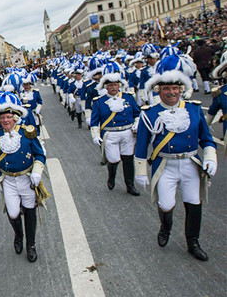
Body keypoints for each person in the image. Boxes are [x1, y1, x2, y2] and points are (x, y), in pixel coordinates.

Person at [135, 54, 218, 261]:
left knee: (193, 202)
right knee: (165, 204)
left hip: (190, 163)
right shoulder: (149, 113)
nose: (171, 92)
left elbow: (207, 140)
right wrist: (140, 171)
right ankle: (165, 227)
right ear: (158, 91)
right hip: (165, 165)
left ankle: (193, 242)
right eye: (166, 89)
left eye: (175, 88)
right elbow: (141, 145)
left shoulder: (194, 109)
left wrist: (210, 157)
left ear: (181, 89)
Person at [0, 92, 46, 263]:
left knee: (30, 211)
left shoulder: (27, 133)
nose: (5, 121)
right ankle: (18, 236)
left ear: (16, 117)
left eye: (9, 117)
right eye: (3, 117)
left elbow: (40, 155)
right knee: (12, 214)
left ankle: (31, 245)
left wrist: (36, 171)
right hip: (8, 181)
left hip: (26, 179)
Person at [90, 63, 141, 196]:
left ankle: (130, 185)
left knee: (128, 159)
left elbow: (137, 113)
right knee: (113, 159)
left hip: (127, 133)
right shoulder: (99, 102)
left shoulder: (128, 97)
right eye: (111, 85)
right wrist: (95, 135)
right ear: (105, 87)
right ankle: (111, 176)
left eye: (116, 84)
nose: (114, 87)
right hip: (110, 134)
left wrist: (136, 123)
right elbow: (95, 121)